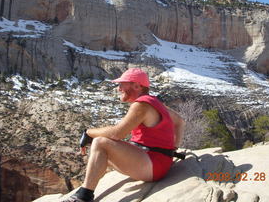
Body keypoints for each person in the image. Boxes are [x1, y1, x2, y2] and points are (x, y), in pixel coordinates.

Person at [63, 68, 185, 202]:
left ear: (137, 86)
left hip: (153, 166)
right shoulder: (154, 102)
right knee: (98, 151)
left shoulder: (142, 105)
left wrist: (88, 132)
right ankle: (87, 189)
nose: (118, 88)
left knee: (100, 143)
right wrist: (173, 150)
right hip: (155, 162)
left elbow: (117, 133)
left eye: (122, 84)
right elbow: (180, 122)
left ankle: (84, 196)